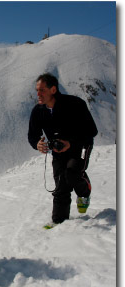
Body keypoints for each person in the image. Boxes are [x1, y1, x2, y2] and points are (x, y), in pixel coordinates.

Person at [28, 73, 98, 227]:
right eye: (37, 90)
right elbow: (32, 135)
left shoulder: (75, 104)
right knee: (60, 185)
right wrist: (37, 144)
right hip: (58, 152)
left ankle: (84, 193)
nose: (38, 94)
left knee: (72, 173)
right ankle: (59, 223)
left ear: (53, 90)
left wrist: (70, 142)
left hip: (80, 146)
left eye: (42, 90)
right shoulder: (38, 111)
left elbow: (91, 131)